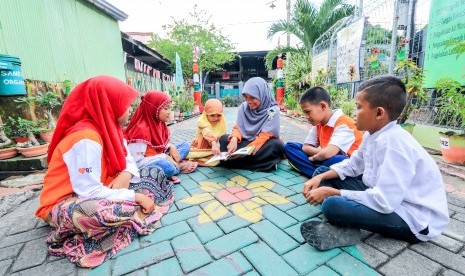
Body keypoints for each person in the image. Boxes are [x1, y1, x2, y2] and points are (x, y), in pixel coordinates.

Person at [35, 76, 174, 268]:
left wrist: (125, 174)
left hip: (105, 187)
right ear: (110, 105)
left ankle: (130, 212)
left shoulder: (112, 129)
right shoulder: (85, 138)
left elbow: (130, 162)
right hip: (67, 203)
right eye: (126, 105)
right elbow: (89, 192)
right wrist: (135, 197)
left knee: (153, 172)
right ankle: (134, 212)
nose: (131, 109)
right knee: (98, 212)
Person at [300, 76, 449, 250]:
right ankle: (345, 223)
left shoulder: (396, 144)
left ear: (379, 113)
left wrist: (333, 192)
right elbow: (353, 165)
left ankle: (345, 227)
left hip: (412, 217)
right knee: (321, 173)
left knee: (332, 205)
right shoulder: (371, 134)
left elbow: (384, 201)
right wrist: (322, 178)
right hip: (383, 197)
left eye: (358, 107)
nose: (354, 113)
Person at [284, 87, 364, 178]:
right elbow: (306, 147)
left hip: (347, 163)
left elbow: (328, 153)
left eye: (308, 112)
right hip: (324, 158)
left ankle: (318, 173)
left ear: (323, 106)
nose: (306, 116)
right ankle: (321, 174)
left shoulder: (344, 123)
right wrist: (320, 152)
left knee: (337, 159)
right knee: (290, 146)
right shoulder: (318, 123)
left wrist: (315, 157)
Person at [125, 91, 197, 184]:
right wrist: (164, 157)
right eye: (166, 109)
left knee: (185, 145)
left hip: (158, 155)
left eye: (169, 108)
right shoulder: (140, 130)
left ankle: (176, 164)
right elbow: (137, 163)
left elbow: (161, 145)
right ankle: (179, 166)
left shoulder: (159, 124)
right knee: (168, 168)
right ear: (154, 109)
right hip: (145, 164)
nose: (169, 112)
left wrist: (171, 147)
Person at [219, 77, 284, 171]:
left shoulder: (273, 110)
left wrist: (248, 150)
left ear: (262, 95)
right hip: (245, 141)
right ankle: (266, 165)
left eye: (253, 97)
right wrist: (234, 139)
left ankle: (232, 162)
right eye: (246, 97)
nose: (249, 101)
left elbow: (266, 135)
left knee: (276, 145)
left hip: (261, 144)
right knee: (224, 139)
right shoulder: (243, 108)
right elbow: (238, 127)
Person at [187, 99, 227, 166]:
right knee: (189, 155)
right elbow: (207, 132)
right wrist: (214, 144)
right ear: (206, 114)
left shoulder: (222, 120)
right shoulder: (202, 120)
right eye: (212, 115)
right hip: (200, 147)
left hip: (211, 148)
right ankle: (195, 157)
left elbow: (223, 136)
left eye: (219, 115)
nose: (216, 118)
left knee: (219, 159)